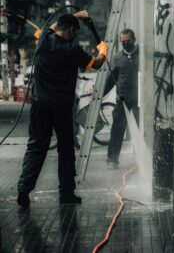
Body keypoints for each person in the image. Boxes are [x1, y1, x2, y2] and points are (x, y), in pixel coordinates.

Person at [17, 10, 108, 207]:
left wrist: (74, 15)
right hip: (62, 108)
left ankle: (23, 190)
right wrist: (103, 49)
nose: (75, 35)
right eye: (74, 31)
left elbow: (52, 27)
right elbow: (97, 64)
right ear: (68, 30)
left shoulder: (43, 40)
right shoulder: (72, 51)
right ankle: (66, 195)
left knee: (35, 147)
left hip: (39, 105)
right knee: (66, 150)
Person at [104, 28, 139, 169]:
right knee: (117, 130)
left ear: (134, 39)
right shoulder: (117, 57)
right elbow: (111, 79)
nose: (125, 44)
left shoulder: (142, 54)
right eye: (122, 42)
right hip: (122, 100)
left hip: (139, 100)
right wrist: (100, 93)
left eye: (128, 41)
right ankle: (112, 160)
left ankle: (141, 160)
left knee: (141, 130)